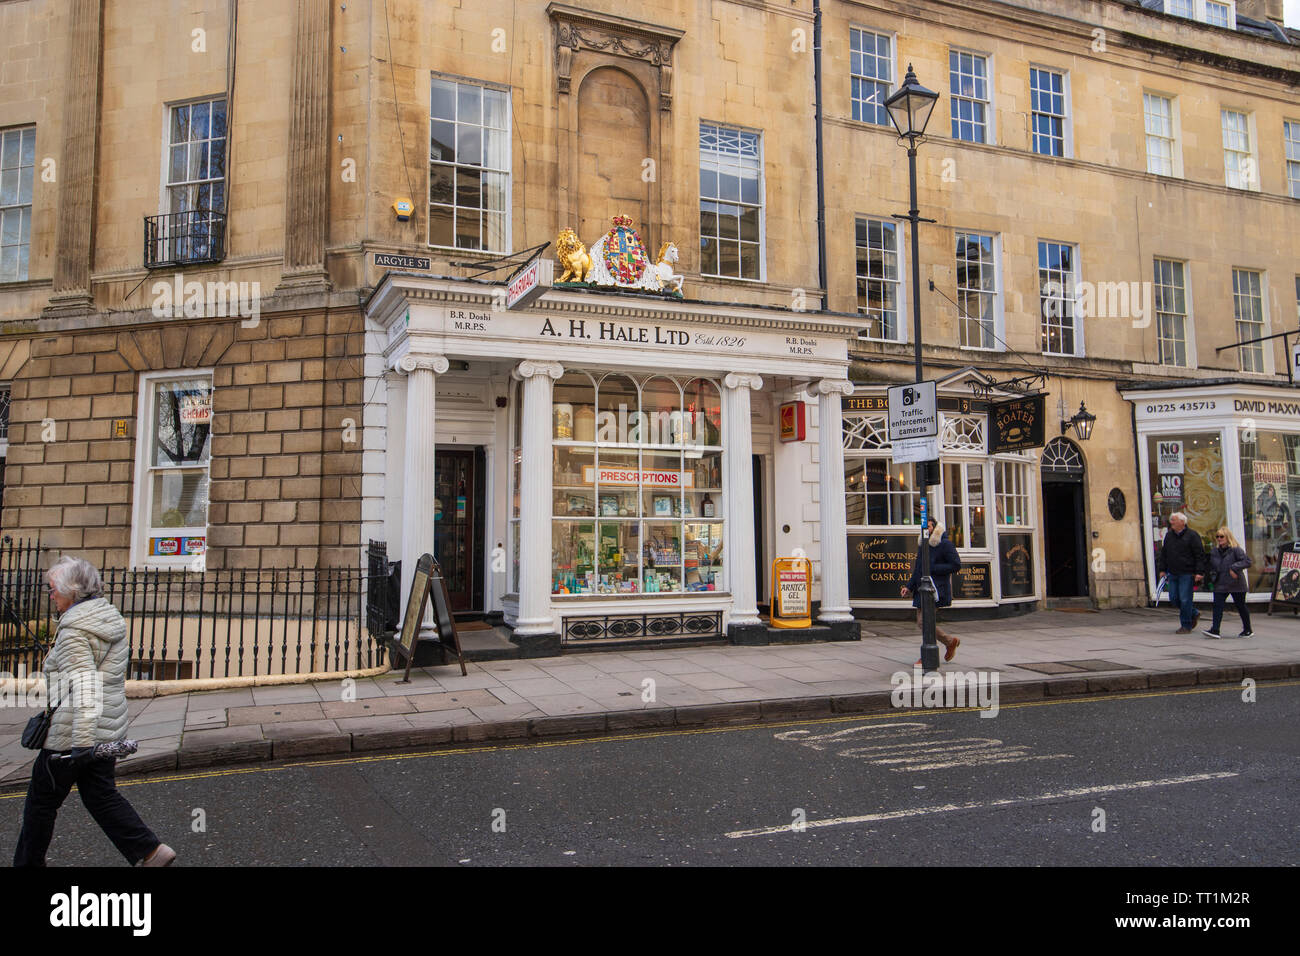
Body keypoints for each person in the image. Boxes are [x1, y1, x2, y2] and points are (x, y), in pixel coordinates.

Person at [13, 556, 175, 867]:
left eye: (52, 589)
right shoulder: (105, 616)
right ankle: (151, 852)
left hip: (71, 735)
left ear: (70, 591)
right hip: (104, 727)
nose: (50, 595)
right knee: (101, 797)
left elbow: (86, 686)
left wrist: (83, 746)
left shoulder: (75, 630)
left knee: (40, 805)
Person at [900, 518, 961, 664]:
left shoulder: (944, 544)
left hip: (936, 589)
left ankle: (928, 655)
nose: (925, 530)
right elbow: (918, 569)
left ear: (934, 527)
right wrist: (909, 587)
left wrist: (932, 569)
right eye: (923, 527)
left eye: (927, 527)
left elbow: (956, 565)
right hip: (922, 589)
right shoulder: (923, 544)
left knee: (924, 622)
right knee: (923, 622)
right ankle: (950, 642)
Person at [1156, 511, 1207, 634]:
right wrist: (1162, 569)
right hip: (1173, 572)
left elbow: (1199, 555)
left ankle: (1186, 625)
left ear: (1182, 522)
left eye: (1174, 520)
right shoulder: (1169, 536)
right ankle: (1193, 612)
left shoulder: (1192, 535)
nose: (1171, 522)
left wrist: (1199, 572)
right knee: (1174, 598)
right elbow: (1164, 554)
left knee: (1185, 599)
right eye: (1171, 520)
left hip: (1187, 573)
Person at [1202, 526, 1253, 638]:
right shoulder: (1215, 551)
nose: (1219, 539)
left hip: (1236, 583)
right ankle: (1215, 630)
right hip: (1221, 582)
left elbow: (1247, 561)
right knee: (1217, 606)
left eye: (1221, 536)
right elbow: (1212, 565)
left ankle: (1248, 629)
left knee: (1240, 606)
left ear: (1227, 537)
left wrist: (1233, 567)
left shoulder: (1236, 550)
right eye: (1217, 537)